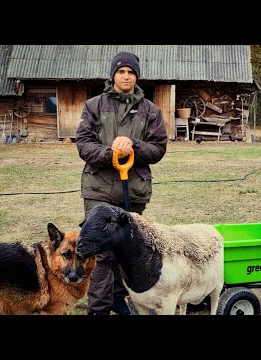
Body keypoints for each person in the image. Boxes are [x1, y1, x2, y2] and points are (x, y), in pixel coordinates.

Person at [76, 51, 168, 315]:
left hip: (134, 189)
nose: (126, 76)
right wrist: (112, 154)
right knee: (101, 252)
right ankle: (99, 309)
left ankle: (119, 299)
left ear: (136, 76)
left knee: (127, 251)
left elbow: (158, 148)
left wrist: (133, 146)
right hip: (99, 190)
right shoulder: (94, 106)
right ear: (113, 75)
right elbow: (83, 145)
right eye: (121, 71)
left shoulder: (150, 110)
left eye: (131, 72)